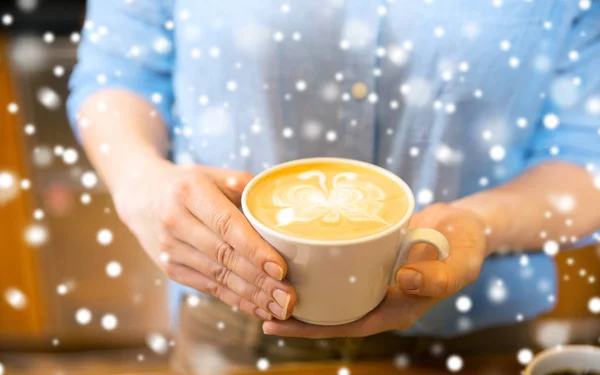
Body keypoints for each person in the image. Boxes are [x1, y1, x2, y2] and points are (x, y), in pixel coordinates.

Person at [67, 0, 600, 368]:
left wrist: (484, 223)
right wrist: (141, 181)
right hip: (236, 322)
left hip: (478, 334)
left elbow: (586, 153)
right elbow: (118, 73)